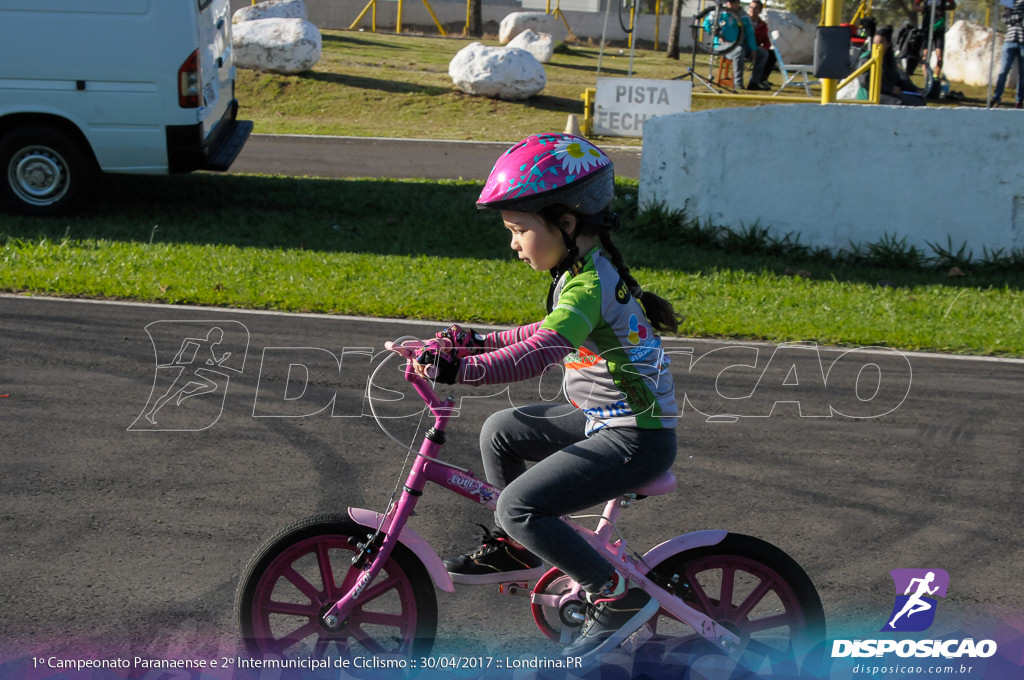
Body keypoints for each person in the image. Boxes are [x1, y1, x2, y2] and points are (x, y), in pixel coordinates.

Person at [409, 133, 680, 655]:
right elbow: (539, 330)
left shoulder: (585, 285)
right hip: (610, 417)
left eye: (518, 229)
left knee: (518, 505)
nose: (513, 242)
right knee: (502, 432)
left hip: (634, 436)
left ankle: (615, 595)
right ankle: (517, 548)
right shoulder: (582, 272)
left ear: (567, 223)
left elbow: (540, 352)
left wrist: (461, 369)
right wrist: (475, 341)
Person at [859, 25, 926, 106]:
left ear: (888, 44)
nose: (877, 46)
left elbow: (896, 78)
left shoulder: (889, 59)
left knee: (919, 101)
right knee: (901, 103)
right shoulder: (866, 58)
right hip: (869, 94)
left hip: (885, 92)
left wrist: (914, 90)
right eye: (875, 43)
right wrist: (890, 89)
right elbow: (865, 81)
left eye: (881, 43)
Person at [990, 0, 1024, 108]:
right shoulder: (1011, 2)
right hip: (1010, 41)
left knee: (1022, 74)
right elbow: (1005, 19)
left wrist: (1014, 18)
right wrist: (1019, 17)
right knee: (1004, 70)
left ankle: (1019, 101)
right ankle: (996, 97)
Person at [911, 0, 956, 78]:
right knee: (925, 54)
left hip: (939, 28)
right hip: (927, 27)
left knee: (939, 55)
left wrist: (942, 8)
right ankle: (927, 78)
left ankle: (936, 77)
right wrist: (927, 9)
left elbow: (953, 6)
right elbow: (915, 7)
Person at [748, 0, 777, 88]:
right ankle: (751, 83)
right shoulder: (744, 21)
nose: (753, 10)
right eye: (751, 7)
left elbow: (766, 41)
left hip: (756, 48)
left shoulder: (762, 24)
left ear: (760, 11)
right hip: (745, 47)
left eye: (756, 8)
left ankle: (761, 79)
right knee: (763, 53)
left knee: (771, 54)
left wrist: (764, 48)